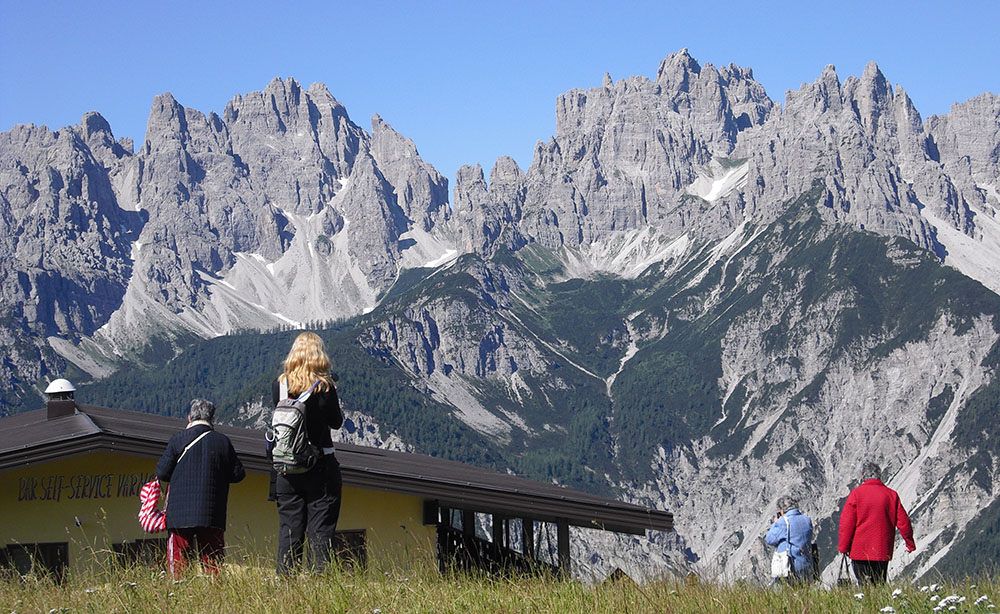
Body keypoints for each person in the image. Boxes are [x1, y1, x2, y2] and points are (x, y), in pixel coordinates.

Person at [271, 332, 344, 574]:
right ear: (319, 356)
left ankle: (285, 582)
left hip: (286, 469)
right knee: (320, 530)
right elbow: (336, 422)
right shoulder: (324, 388)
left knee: (289, 530)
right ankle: (319, 584)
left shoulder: (280, 385)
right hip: (320, 465)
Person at [155, 399, 245, 578]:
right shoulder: (223, 442)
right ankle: (215, 595)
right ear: (212, 418)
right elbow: (238, 475)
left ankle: (179, 592)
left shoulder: (177, 440)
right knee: (213, 562)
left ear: (189, 417)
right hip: (212, 512)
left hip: (179, 514)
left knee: (179, 563)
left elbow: (162, 473)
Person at [838, 462, 916, 584]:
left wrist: (844, 547)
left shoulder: (856, 494)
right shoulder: (891, 495)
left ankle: (867, 602)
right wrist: (910, 543)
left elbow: (846, 524)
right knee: (879, 583)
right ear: (879, 476)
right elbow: (904, 522)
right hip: (882, 550)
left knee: (864, 584)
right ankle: (880, 603)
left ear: (863, 477)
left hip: (860, 551)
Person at [765, 495, 814, 584]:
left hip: (789, 567)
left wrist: (776, 523)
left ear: (782, 510)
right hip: (806, 565)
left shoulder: (783, 522)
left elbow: (769, 539)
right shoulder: (807, 520)